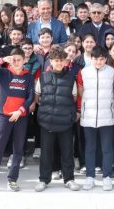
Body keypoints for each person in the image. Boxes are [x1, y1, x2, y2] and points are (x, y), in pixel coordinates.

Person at [0, 48, 35, 192]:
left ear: (25, 60)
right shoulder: (4, 73)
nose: (16, 62)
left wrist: (20, 111)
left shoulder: (28, 76)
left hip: (21, 117)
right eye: (13, 59)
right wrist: (2, 60)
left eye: (19, 59)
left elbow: (30, 97)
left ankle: (12, 180)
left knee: (18, 149)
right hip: (4, 116)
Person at [34, 46, 81, 192]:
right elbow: (37, 97)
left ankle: (69, 179)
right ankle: (44, 179)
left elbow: (74, 97)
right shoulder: (43, 77)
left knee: (67, 152)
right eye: (56, 60)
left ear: (65, 61)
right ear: (51, 61)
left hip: (65, 121)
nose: (59, 63)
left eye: (61, 60)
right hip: (47, 120)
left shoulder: (71, 78)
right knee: (46, 152)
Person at [79, 45, 114, 191]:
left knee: (107, 148)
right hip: (88, 116)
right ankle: (90, 176)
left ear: (106, 59)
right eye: (95, 59)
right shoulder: (83, 72)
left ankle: (107, 176)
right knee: (90, 148)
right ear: (91, 58)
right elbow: (80, 93)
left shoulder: (112, 72)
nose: (98, 62)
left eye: (101, 59)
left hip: (107, 116)